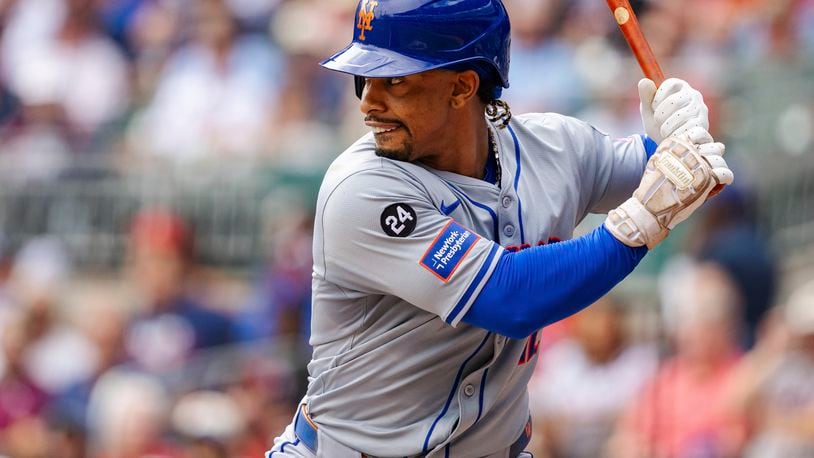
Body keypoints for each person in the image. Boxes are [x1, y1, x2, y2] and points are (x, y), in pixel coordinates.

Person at [267, 1, 733, 457]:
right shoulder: (361, 188)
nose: (369, 102)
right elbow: (510, 297)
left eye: (395, 80)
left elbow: (684, 181)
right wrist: (644, 219)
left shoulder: (554, 148)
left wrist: (677, 136)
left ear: (462, 86)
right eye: (364, 78)